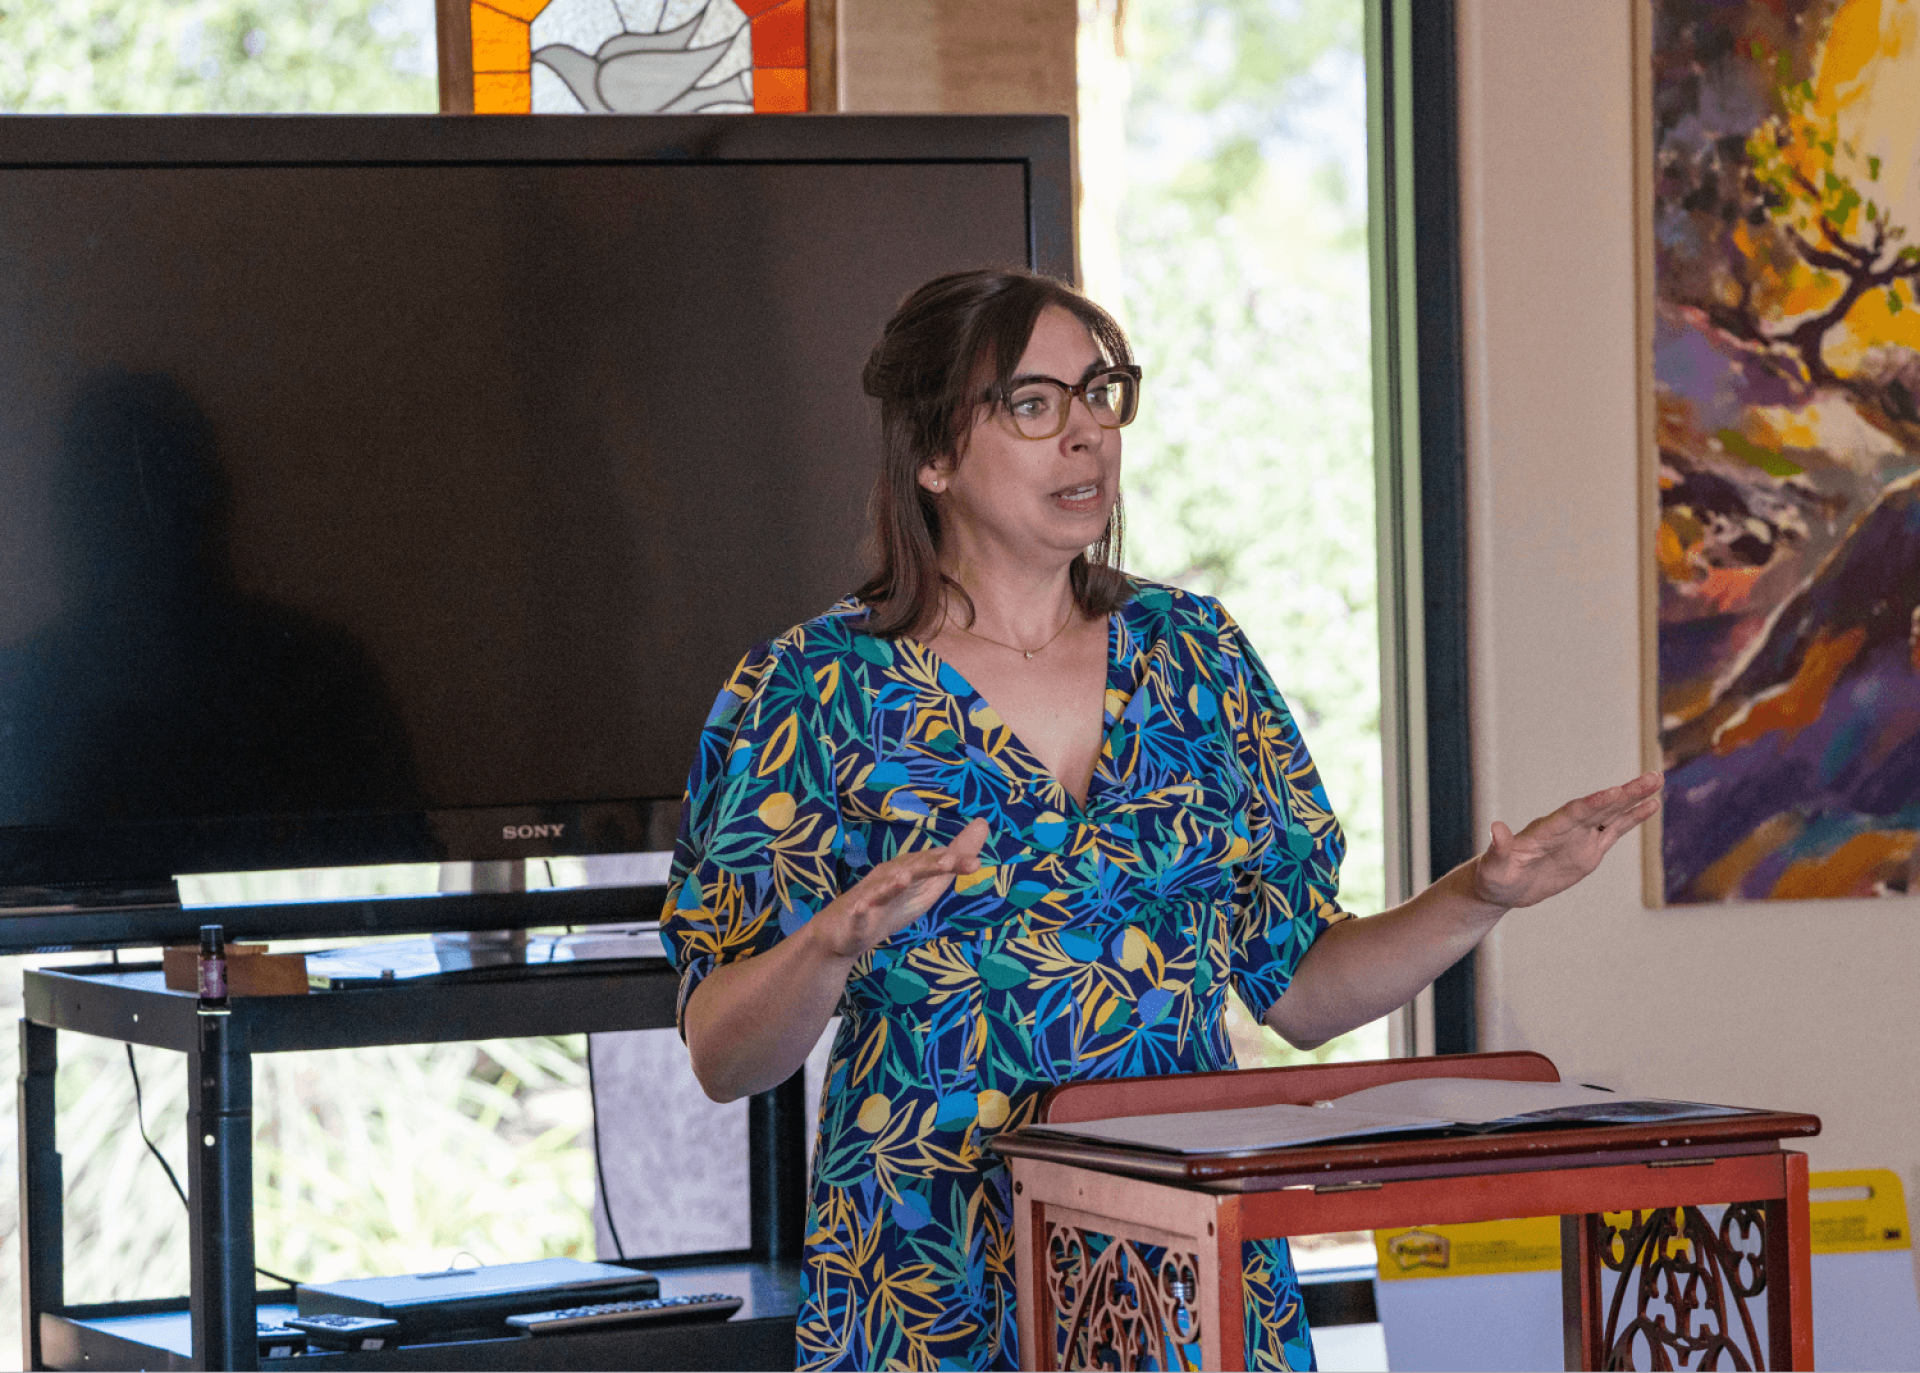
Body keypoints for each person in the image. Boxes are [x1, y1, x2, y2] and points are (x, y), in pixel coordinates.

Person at [659, 268, 1661, 1372]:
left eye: (1100, 393)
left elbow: (1303, 992)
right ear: (933, 455)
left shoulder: (1197, 655)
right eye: (1034, 404)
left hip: (1187, 1272)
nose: (1085, 433)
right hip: (930, 1276)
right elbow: (723, 1054)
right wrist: (825, 945)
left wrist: (1481, 894)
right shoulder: (807, 688)